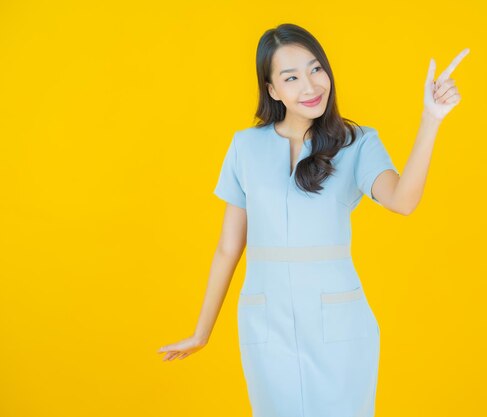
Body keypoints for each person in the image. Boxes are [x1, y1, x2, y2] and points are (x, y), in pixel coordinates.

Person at [157, 23, 468, 417]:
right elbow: (228, 247)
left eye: (315, 68)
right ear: (272, 90)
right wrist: (202, 332)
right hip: (265, 323)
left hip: (340, 324)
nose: (310, 85)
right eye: (291, 77)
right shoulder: (245, 147)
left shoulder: (357, 142)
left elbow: (403, 201)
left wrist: (431, 119)